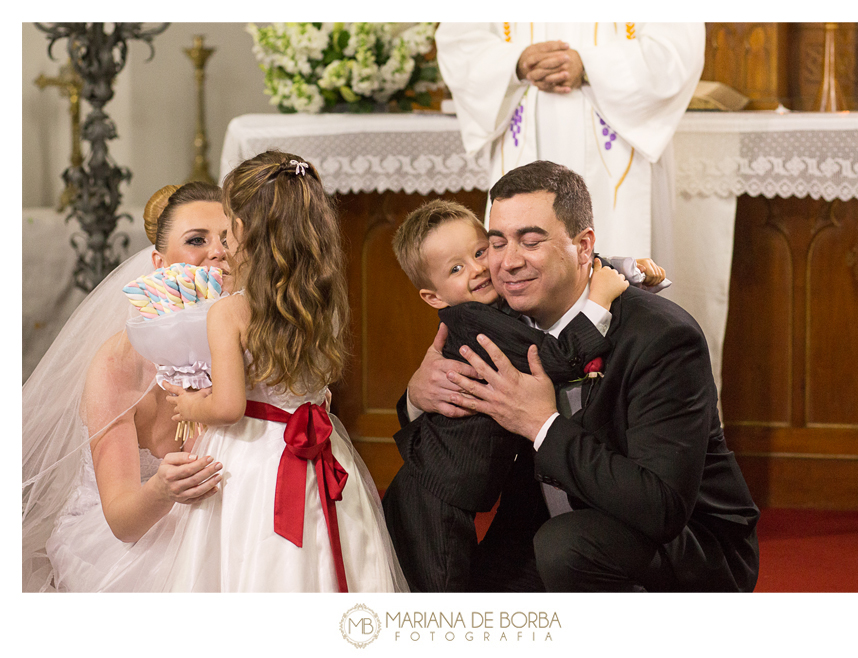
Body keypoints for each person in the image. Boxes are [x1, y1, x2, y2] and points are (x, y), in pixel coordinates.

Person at [406, 160, 760, 592]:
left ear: (583, 245)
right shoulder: (501, 317)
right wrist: (415, 394)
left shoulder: (663, 337)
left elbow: (662, 508)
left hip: (681, 544)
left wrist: (540, 424)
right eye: (495, 244)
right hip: (545, 526)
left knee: (566, 547)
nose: (507, 263)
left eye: (530, 241)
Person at [383, 199, 667, 591]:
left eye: (481, 251)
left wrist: (624, 268)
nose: (480, 268)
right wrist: (600, 300)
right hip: (433, 498)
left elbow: (568, 264)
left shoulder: (503, 302)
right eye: (456, 268)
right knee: (441, 600)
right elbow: (554, 358)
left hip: (459, 489)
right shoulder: (472, 318)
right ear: (434, 297)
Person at [163, 151, 406, 592]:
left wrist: (189, 402)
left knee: (256, 563)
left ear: (244, 229)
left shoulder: (230, 312)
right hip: (319, 447)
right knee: (323, 559)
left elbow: (229, 405)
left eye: (228, 223)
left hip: (253, 462)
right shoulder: (322, 298)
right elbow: (320, 386)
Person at [23, 182, 231, 592]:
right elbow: (122, 522)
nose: (218, 251)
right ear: (158, 262)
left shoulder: (253, 344)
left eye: (227, 238)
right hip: (135, 539)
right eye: (197, 240)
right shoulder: (118, 364)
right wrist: (162, 488)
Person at [435, 22, 704, 261]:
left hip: (620, 145)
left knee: (624, 279)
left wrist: (589, 66)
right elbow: (458, 41)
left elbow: (676, 50)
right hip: (525, 129)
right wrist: (517, 61)